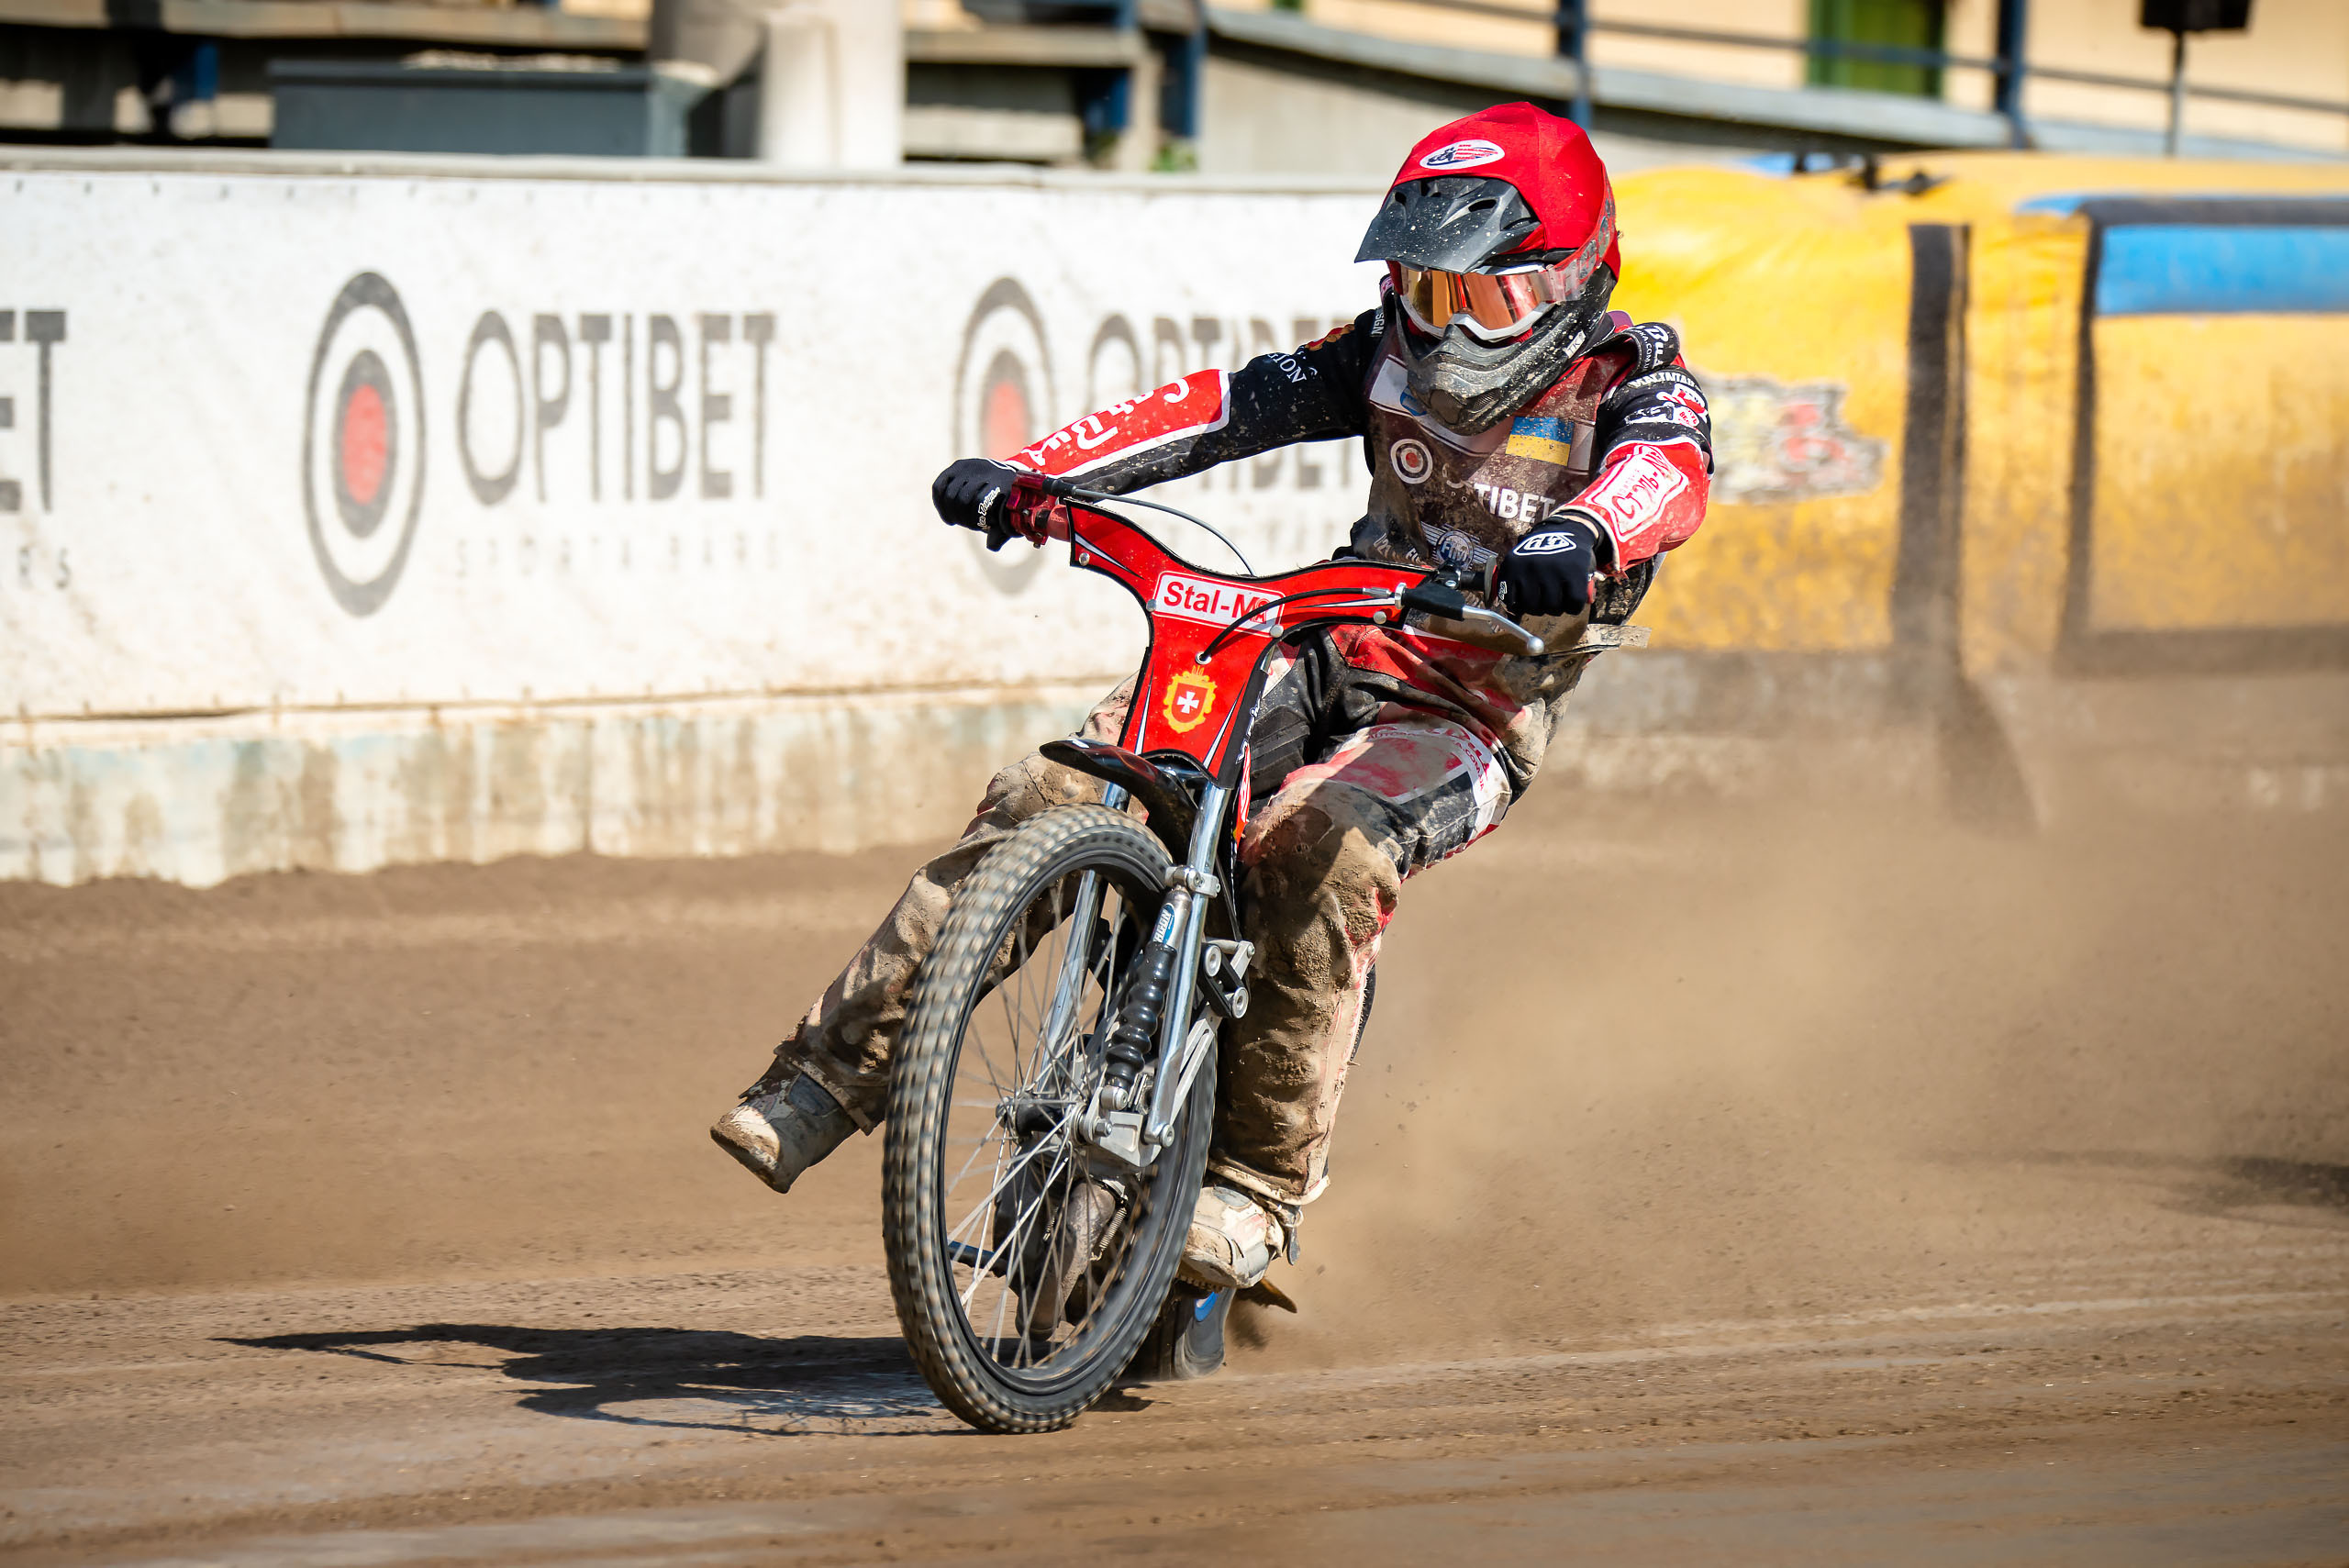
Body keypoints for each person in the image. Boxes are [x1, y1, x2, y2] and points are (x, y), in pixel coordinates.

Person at [712, 101, 1711, 1295]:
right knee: (1058, 782)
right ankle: (834, 1072)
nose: (1440, 323)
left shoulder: (1634, 379)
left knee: (1319, 853)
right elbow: (1215, 407)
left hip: (1471, 703)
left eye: (1478, 298)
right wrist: (1039, 476)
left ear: (1572, 280)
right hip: (1320, 639)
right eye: (1424, 288)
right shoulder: (1377, 352)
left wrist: (1589, 531)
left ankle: (1254, 1188)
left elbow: (1670, 472)